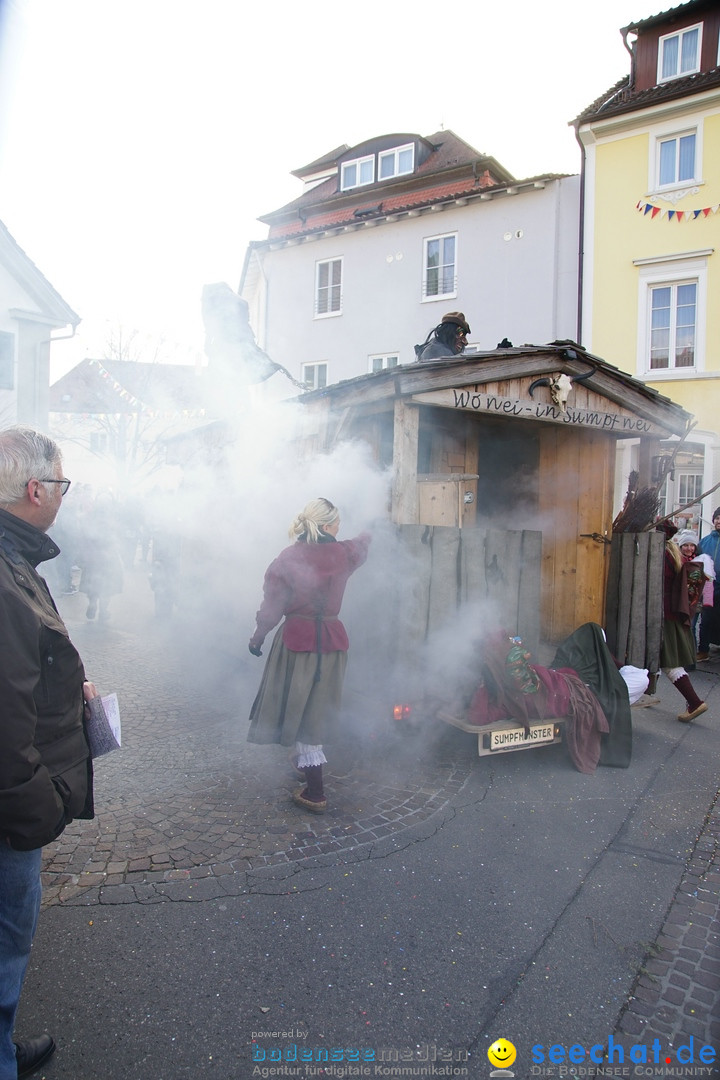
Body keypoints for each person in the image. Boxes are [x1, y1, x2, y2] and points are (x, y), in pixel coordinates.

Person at [0, 427, 97, 1080]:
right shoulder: (5, 576)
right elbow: (5, 722)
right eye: (61, 485)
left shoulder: (14, 558)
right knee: (7, 940)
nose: (63, 497)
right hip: (8, 806)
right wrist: (37, 804)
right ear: (35, 490)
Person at [247, 499, 370, 813]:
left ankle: (315, 793)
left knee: (305, 716)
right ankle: (304, 766)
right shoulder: (344, 554)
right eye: (337, 522)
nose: (340, 528)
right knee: (313, 711)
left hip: (297, 645)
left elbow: (273, 603)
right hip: (331, 646)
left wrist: (259, 636)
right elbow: (361, 546)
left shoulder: (289, 558)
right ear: (328, 526)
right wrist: (374, 529)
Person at [660, 526, 707, 722]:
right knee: (652, 660)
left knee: (670, 663)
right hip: (672, 615)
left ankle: (694, 702)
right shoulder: (673, 553)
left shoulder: (665, 555)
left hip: (665, 616)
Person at [697, 508, 720, 660]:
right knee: (706, 620)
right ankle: (703, 650)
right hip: (709, 587)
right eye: (717, 518)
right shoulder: (705, 541)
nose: (719, 521)